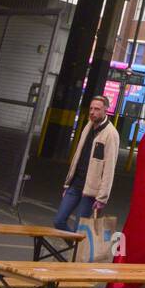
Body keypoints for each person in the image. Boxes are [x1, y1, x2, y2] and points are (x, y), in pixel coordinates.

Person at [54, 95, 120, 231]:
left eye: (97, 109)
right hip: (75, 184)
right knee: (58, 221)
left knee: (80, 229)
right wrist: (68, 183)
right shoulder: (88, 126)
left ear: (105, 110)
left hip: (91, 191)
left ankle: (77, 248)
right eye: (91, 108)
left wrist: (102, 197)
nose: (92, 112)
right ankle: (76, 247)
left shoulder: (111, 134)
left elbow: (109, 168)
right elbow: (78, 155)